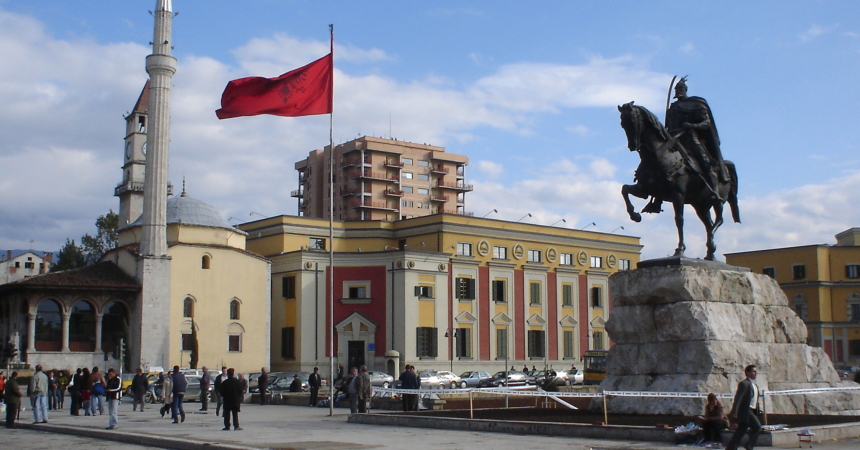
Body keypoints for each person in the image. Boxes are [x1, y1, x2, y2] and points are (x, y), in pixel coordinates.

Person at [665, 76, 727, 197]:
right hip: (673, 140)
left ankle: (714, 189)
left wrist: (691, 125)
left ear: (686, 89)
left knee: (703, 160)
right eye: (677, 88)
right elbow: (668, 126)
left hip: (689, 138)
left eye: (681, 88)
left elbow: (706, 123)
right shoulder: (672, 108)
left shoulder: (696, 104)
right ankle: (656, 198)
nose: (679, 90)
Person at [726, 365, 762, 450]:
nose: (755, 373)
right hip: (746, 411)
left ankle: (731, 448)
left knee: (741, 430)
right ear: (748, 373)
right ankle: (749, 445)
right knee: (757, 427)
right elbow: (738, 398)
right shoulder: (744, 384)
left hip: (752, 410)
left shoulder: (754, 385)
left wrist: (758, 409)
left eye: (755, 371)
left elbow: (755, 399)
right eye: (753, 371)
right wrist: (734, 411)